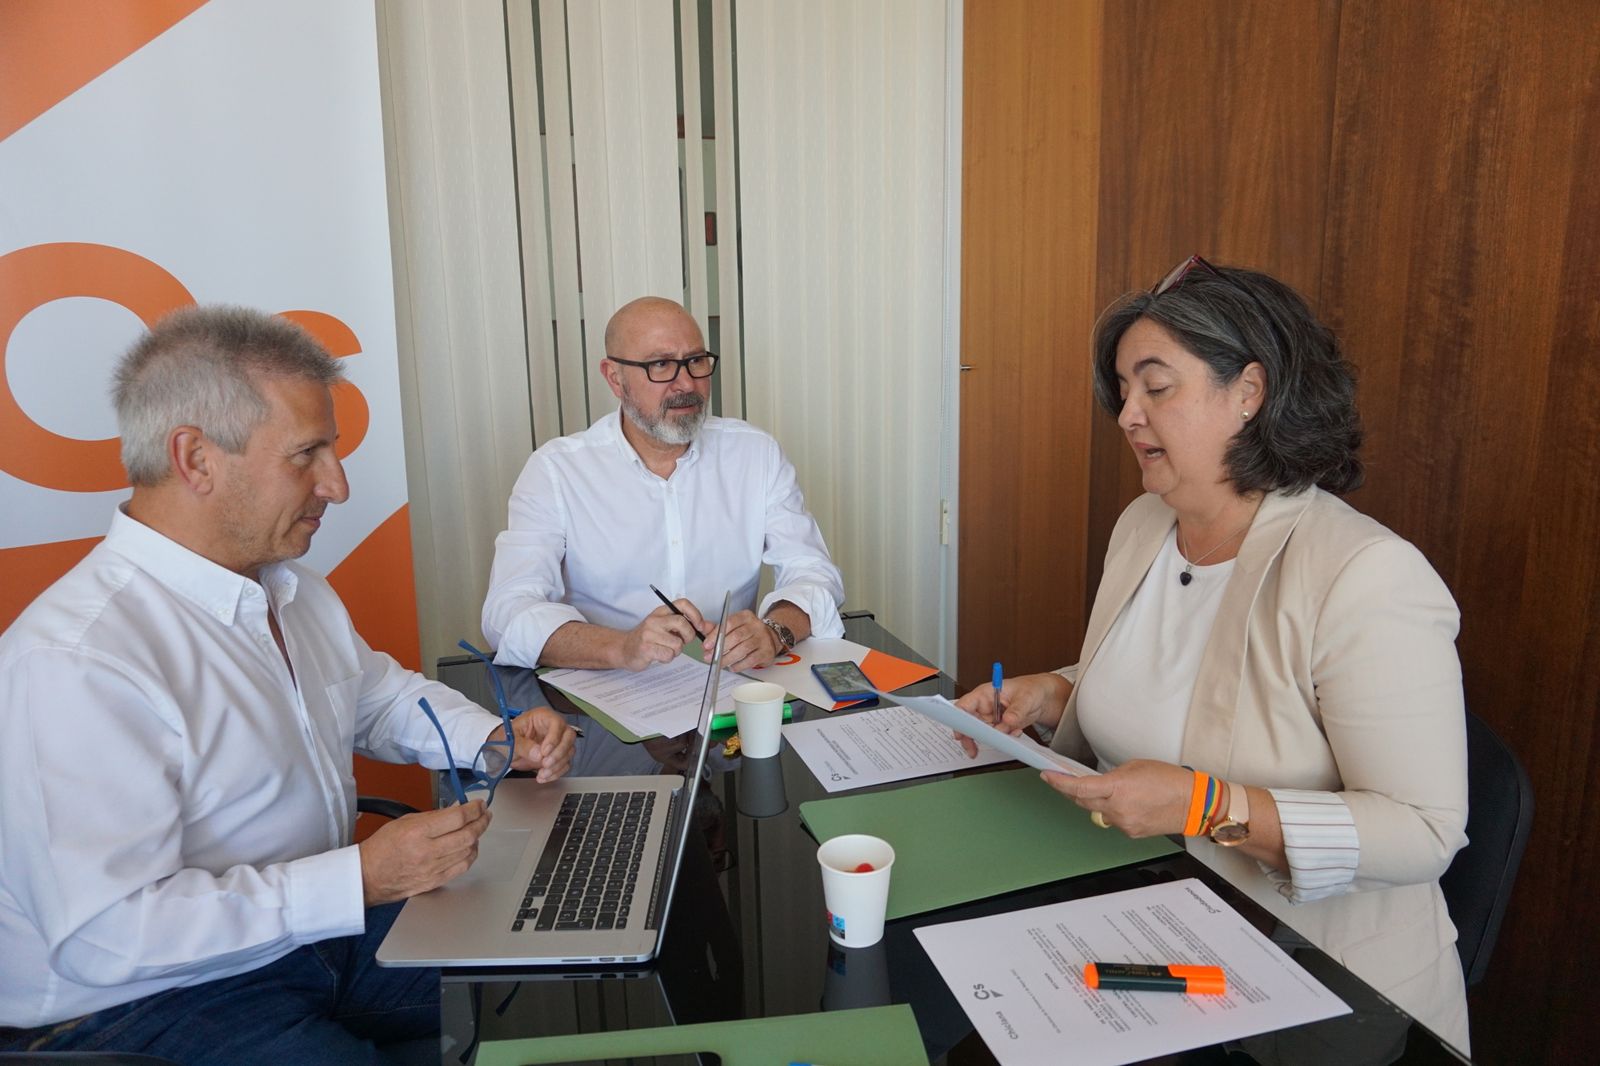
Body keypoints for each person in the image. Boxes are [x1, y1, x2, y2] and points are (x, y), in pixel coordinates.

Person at [0, 306, 576, 1065]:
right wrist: (361, 877)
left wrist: (491, 737)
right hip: (138, 1003)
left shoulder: (289, 589)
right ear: (195, 459)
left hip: (304, 938)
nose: (335, 485)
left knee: (554, 951)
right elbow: (108, 938)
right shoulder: (79, 659)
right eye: (306, 454)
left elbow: (375, 695)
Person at [955, 257, 1470, 1052]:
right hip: (1160, 924)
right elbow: (1172, 677)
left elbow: (1425, 831)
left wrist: (1206, 806)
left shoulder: (1364, 574)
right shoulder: (1143, 527)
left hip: (1319, 979)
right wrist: (1058, 692)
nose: (1128, 415)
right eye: (1123, 392)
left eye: (1156, 387)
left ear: (1250, 392)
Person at [482, 296, 845, 674]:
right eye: (661, 365)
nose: (686, 383)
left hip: (727, 692)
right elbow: (507, 612)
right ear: (614, 378)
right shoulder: (556, 472)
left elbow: (813, 574)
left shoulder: (756, 454)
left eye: (696, 361)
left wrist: (772, 632)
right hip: (606, 701)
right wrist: (622, 647)